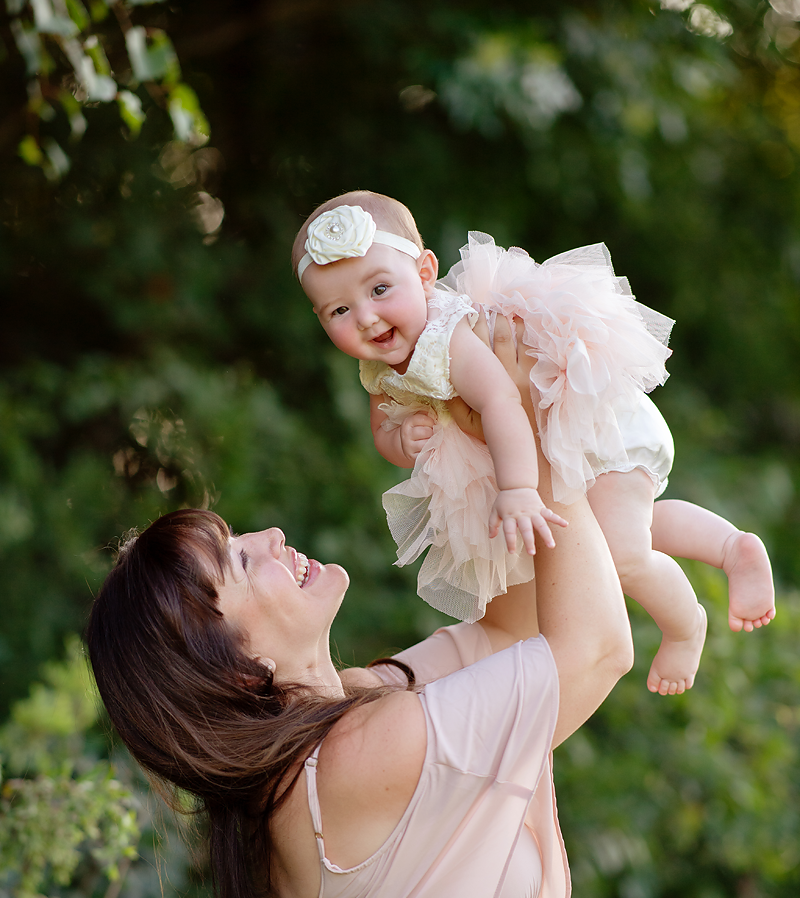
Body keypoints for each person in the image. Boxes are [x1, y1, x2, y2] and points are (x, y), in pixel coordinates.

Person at [87, 320, 633, 898]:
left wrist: (470, 435)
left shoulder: (343, 731)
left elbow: (506, 634)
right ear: (237, 667)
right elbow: (594, 650)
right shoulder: (361, 758)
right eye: (243, 560)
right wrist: (538, 426)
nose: (273, 536)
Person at [295, 190, 775, 695]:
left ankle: (684, 626)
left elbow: (503, 399)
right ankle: (728, 544)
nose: (366, 318)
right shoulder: (376, 366)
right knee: (627, 525)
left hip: (588, 430)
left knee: (618, 547)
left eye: (380, 289)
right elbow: (383, 430)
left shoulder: (447, 335)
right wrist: (401, 438)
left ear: (424, 272)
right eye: (340, 310)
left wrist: (520, 489)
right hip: (544, 445)